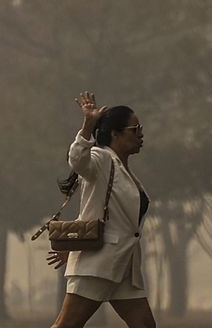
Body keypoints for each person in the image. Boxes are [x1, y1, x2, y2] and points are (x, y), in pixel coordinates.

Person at [46, 90, 154, 328]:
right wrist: (87, 125)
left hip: (124, 265)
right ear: (115, 134)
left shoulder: (124, 170)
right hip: (99, 264)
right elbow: (77, 160)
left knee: (145, 325)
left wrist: (75, 249)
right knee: (67, 325)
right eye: (135, 130)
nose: (141, 134)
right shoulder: (101, 159)